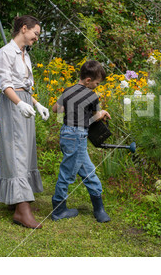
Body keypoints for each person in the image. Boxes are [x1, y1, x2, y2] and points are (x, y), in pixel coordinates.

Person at [0, 15, 50, 229]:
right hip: (11, 103)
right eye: (36, 33)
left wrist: (35, 103)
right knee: (16, 150)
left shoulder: (25, 55)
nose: (37, 37)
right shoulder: (5, 53)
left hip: (23, 101)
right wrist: (19, 104)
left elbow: (24, 86)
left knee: (25, 150)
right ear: (24, 29)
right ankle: (21, 210)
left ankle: (17, 198)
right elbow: (5, 85)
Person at [51, 60, 111, 223]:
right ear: (88, 80)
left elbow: (56, 109)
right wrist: (103, 112)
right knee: (67, 173)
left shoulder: (68, 90)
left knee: (88, 171)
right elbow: (95, 117)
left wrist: (70, 108)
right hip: (77, 136)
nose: (97, 86)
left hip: (66, 133)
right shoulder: (92, 95)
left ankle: (99, 208)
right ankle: (58, 209)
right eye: (97, 83)